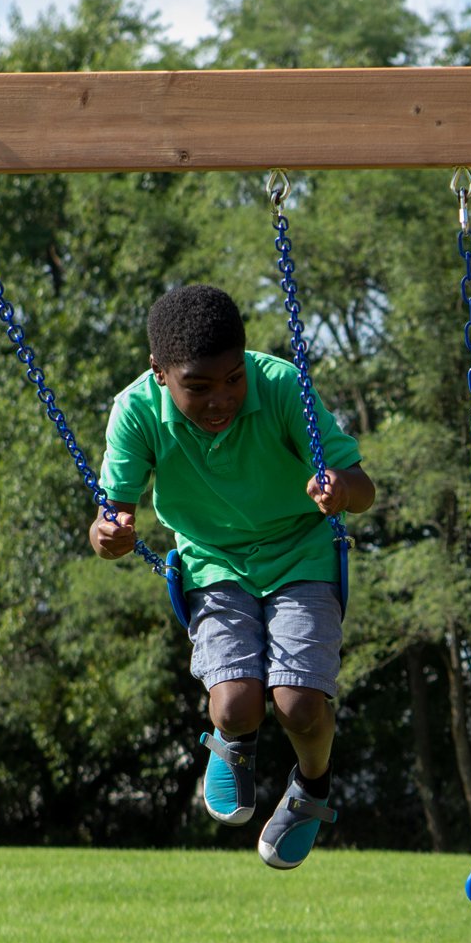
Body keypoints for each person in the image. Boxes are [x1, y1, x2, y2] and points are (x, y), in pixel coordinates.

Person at [93, 284, 374, 871]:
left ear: (245, 362)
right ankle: (232, 746)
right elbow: (109, 520)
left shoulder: (279, 386)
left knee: (298, 705)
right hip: (213, 560)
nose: (220, 399)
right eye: (198, 386)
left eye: (232, 379)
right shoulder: (136, 410)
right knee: (234, 706)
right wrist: (110, 536)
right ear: (160, 372)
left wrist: (341, 490)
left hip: (301, 551)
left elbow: (361, 484)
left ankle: (312, 790)